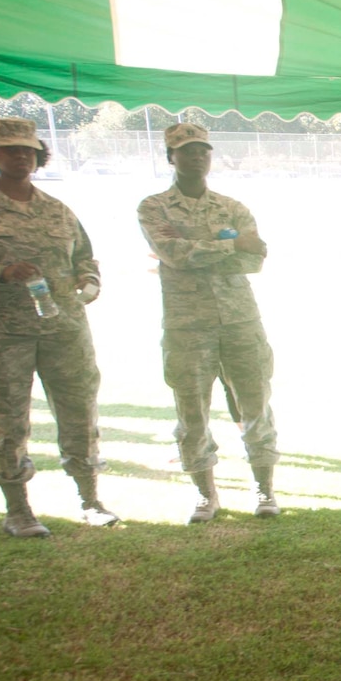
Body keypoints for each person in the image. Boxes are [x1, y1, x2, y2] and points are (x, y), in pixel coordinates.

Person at [0, 116, 114, 535]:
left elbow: (85, 256)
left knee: (80, 412)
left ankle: (90, 499)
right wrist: (0, 272)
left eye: (28, 148)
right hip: (1, 332)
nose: (21, 155)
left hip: (64, 328)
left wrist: (89, 280)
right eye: (10, 149)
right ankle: (18, 510)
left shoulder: (56, 209)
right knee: (7, 420)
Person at [138, 124, 280, 522]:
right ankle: (205, 495)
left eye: (203, 150)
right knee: (192, 411)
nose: (197, 157)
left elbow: (255, 260)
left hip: (240, 320)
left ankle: (264, 490)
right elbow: (174, 253)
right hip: (188, 324)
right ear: (171, 157)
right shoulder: (154, 207)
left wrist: (203, 250)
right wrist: (229, 246)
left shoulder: (231, 206)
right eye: (187, 151)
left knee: (256, 403)